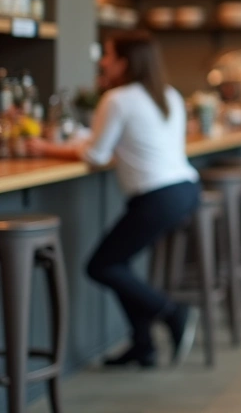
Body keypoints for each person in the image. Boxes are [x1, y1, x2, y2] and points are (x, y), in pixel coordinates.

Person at [30, 32, 199, 368]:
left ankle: (171, 312)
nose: (103, 62)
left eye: (108, 55)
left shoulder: (118, 99)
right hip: (184, 188)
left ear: (124, 62)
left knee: (103, 266)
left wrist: (44, 148)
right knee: (118, 264)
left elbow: (95, 155)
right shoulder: (168, 94)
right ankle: (143, 346)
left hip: (157, 195)